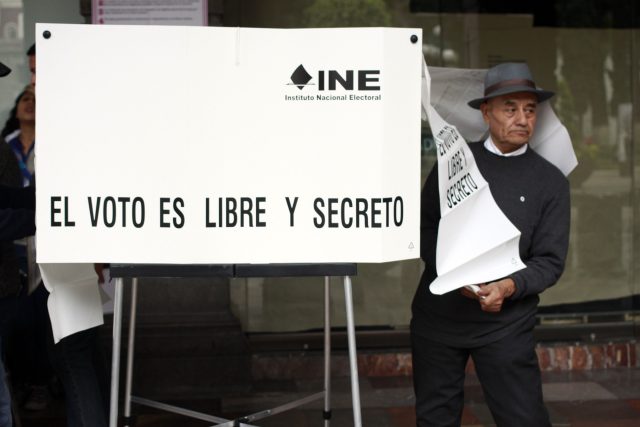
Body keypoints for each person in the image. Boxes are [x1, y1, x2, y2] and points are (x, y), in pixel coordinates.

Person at [411, 62, 570, 427]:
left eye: (530, 109)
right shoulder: (455, 162)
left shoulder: (551, 182)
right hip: (439, 320)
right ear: (486, 112)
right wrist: (456, 274)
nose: (522, 118)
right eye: (509, 108)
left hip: (507, 323)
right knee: (435, 419)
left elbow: (549, 261)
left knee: (524, 420)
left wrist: (507, 286)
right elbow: (424, 229)